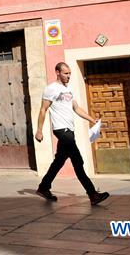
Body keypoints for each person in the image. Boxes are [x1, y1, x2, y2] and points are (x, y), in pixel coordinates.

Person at [34, 62, 109, 205]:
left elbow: (76, 108)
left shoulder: (69, 89)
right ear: (57, 72)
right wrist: (39, 130)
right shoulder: (51, 89)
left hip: (70, 130)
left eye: (69, 74)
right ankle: (92, 194)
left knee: (59, 161)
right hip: (61, 130)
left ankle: (43, 187)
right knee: (78, 162)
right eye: (66, 73)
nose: (68, 76)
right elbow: (43, 109)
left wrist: (91, 119)